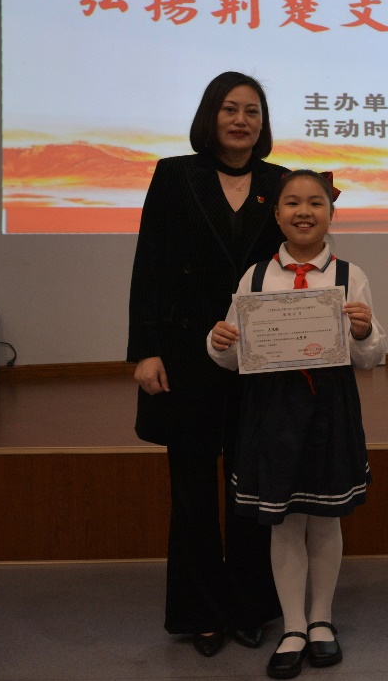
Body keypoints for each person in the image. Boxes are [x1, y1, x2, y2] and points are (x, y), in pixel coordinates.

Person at [127, 71, 286, 656]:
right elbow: (148, 264)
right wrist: (145, 349)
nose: (242, 120)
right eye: (230, 109)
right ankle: (200, 611)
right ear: (209, 116)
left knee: (250, 490)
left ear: (263, 123)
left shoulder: (280, 182)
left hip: (259, 355)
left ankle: (248, 607)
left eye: (252, 111)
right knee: (192, 492)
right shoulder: (175, 176)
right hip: (184, 353)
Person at [209, 170, 386, 679]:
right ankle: (292, 626)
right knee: (284, 523)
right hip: (272, 410)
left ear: (331, 213)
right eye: (292, 203)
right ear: (277, 214)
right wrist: (218, 343)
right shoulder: (255, 277)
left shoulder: (350, 275)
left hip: (329, 408)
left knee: (325, 519)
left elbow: (372, 356)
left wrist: (364, 332)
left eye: (315, 202)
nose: (303, 212)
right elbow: (232, 357)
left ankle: (321, 620)